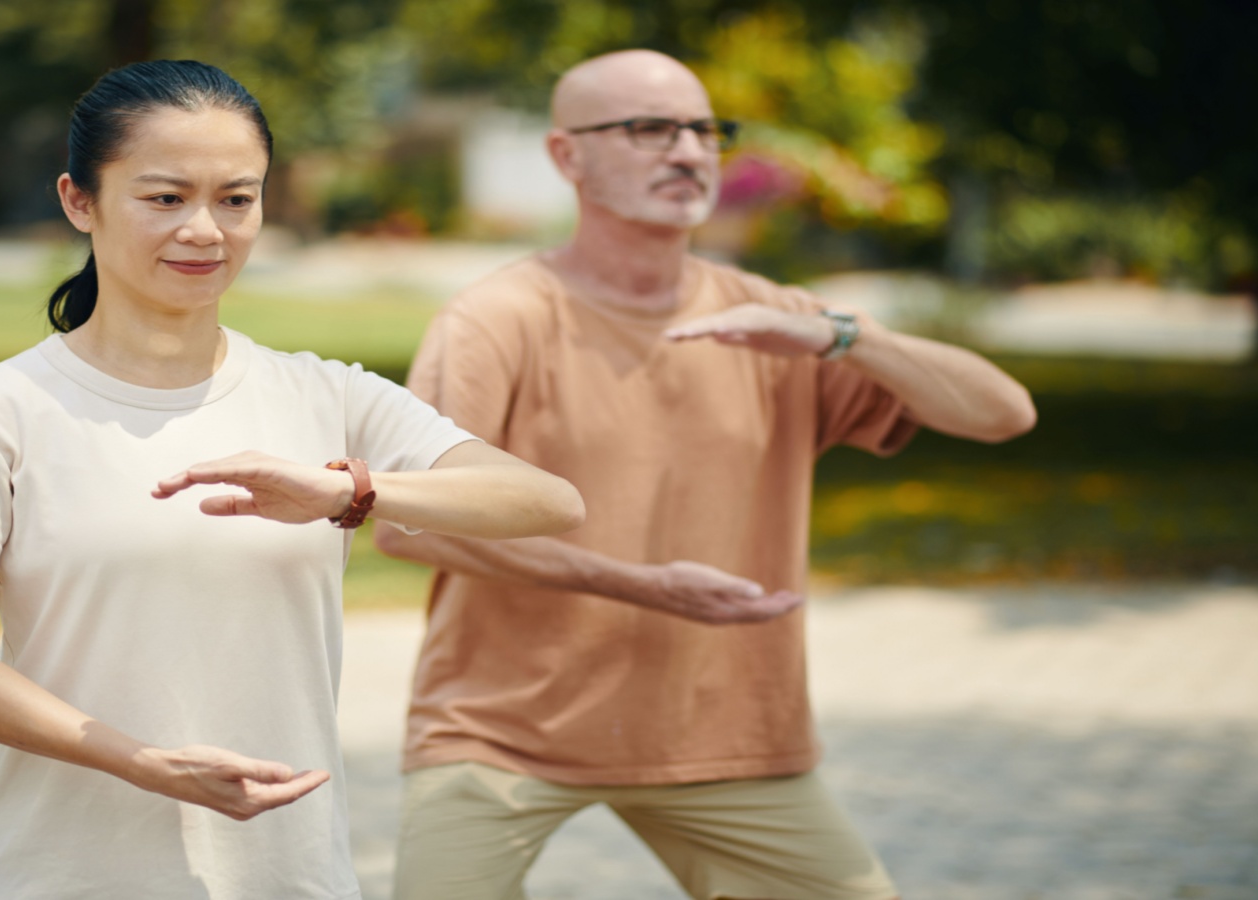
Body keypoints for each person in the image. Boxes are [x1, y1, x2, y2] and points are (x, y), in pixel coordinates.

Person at [0, 60, 584, 900]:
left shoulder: (327, 394)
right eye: (165, 198)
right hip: (68, 877)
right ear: (78, 200)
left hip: (292, 875)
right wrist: (140, 761)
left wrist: (352, 492)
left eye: (236, 199)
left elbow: (547, 502)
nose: (205, 230)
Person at [376, 49, 1037, 900]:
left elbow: (1003, 414)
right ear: (566, 156)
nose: (687, 151)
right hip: (503, 734)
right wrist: (645, 586)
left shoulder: (778, 321)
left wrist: (848, 335)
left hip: (724, 737)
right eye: (648, 129)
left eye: (704, 130)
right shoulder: (494, 320)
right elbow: (411, 521)